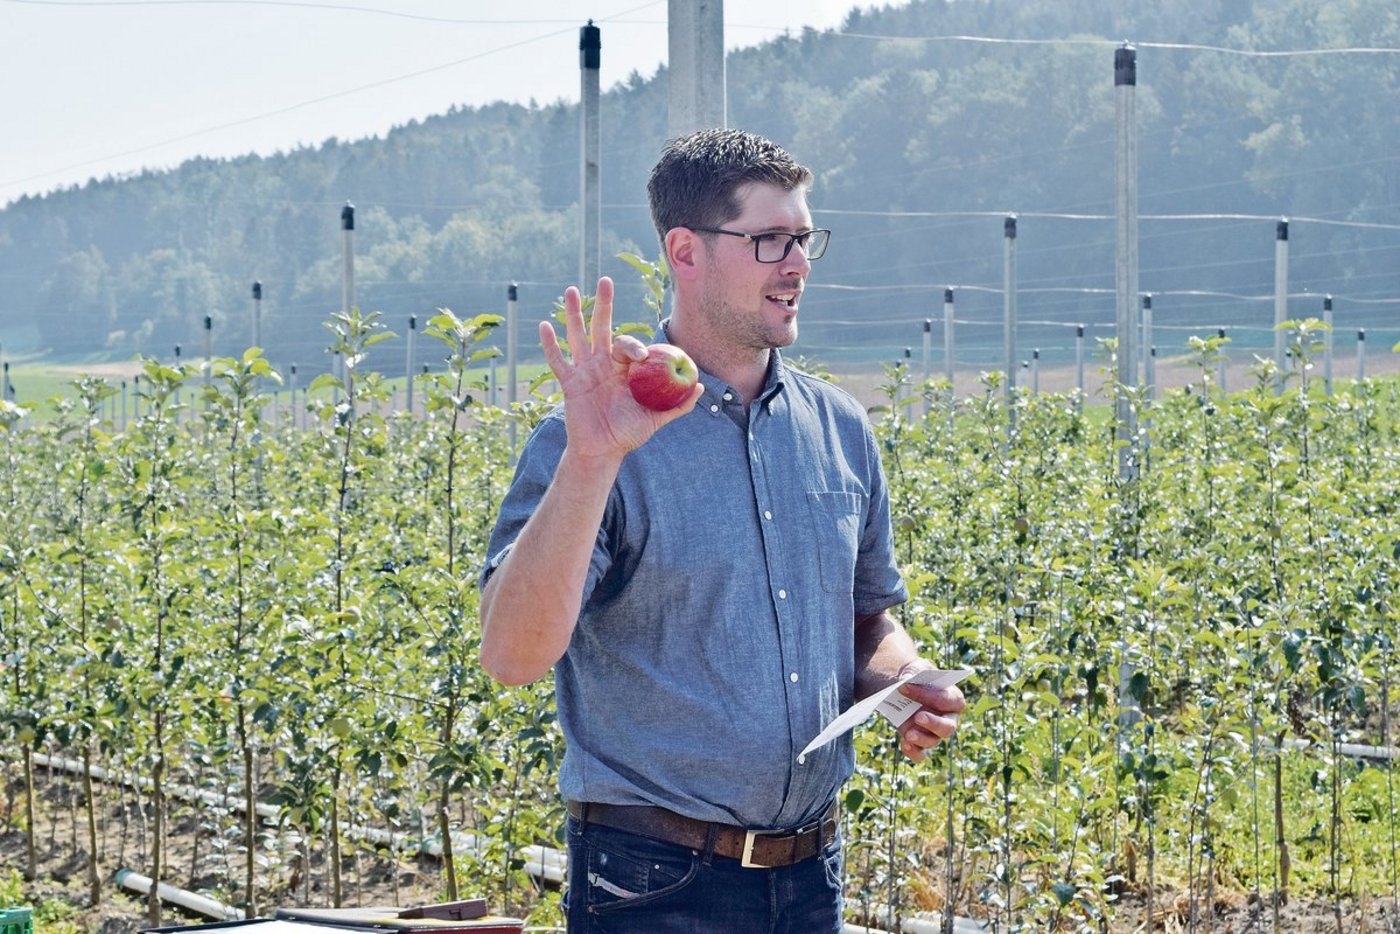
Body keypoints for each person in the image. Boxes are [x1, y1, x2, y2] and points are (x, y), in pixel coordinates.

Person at [478, 128, 965, 934]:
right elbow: (512, 655)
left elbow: (865, 620)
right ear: (685, 251)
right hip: (654, 885)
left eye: (804, 239)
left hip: (812, 880)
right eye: (770, 240)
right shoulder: (595, 436)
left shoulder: (839, 428)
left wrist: (901, 679)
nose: (798, 264)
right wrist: (594, 459)